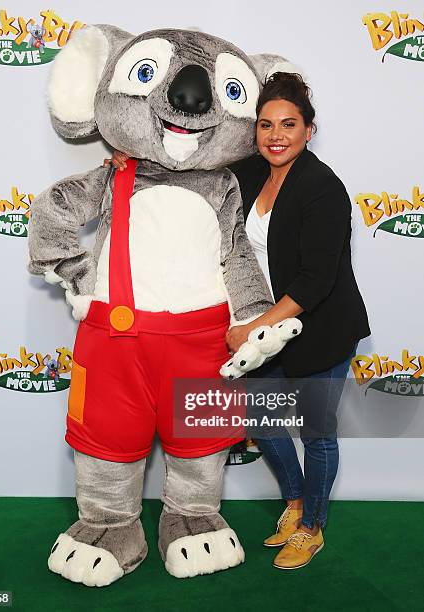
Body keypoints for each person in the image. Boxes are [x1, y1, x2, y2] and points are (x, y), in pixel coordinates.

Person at [104, 72, 370, 570]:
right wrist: (128, 164)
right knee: (264, 423)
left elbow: (315, 281)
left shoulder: (323, 188)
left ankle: (312, 526)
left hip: (319, 330)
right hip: (265, 329)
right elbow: (187, 170)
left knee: (316, 434)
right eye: (266, 124)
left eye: (289, 124)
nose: (276, 135)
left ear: (309, 130)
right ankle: (293, 503)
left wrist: (254, 327)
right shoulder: (247, 173)